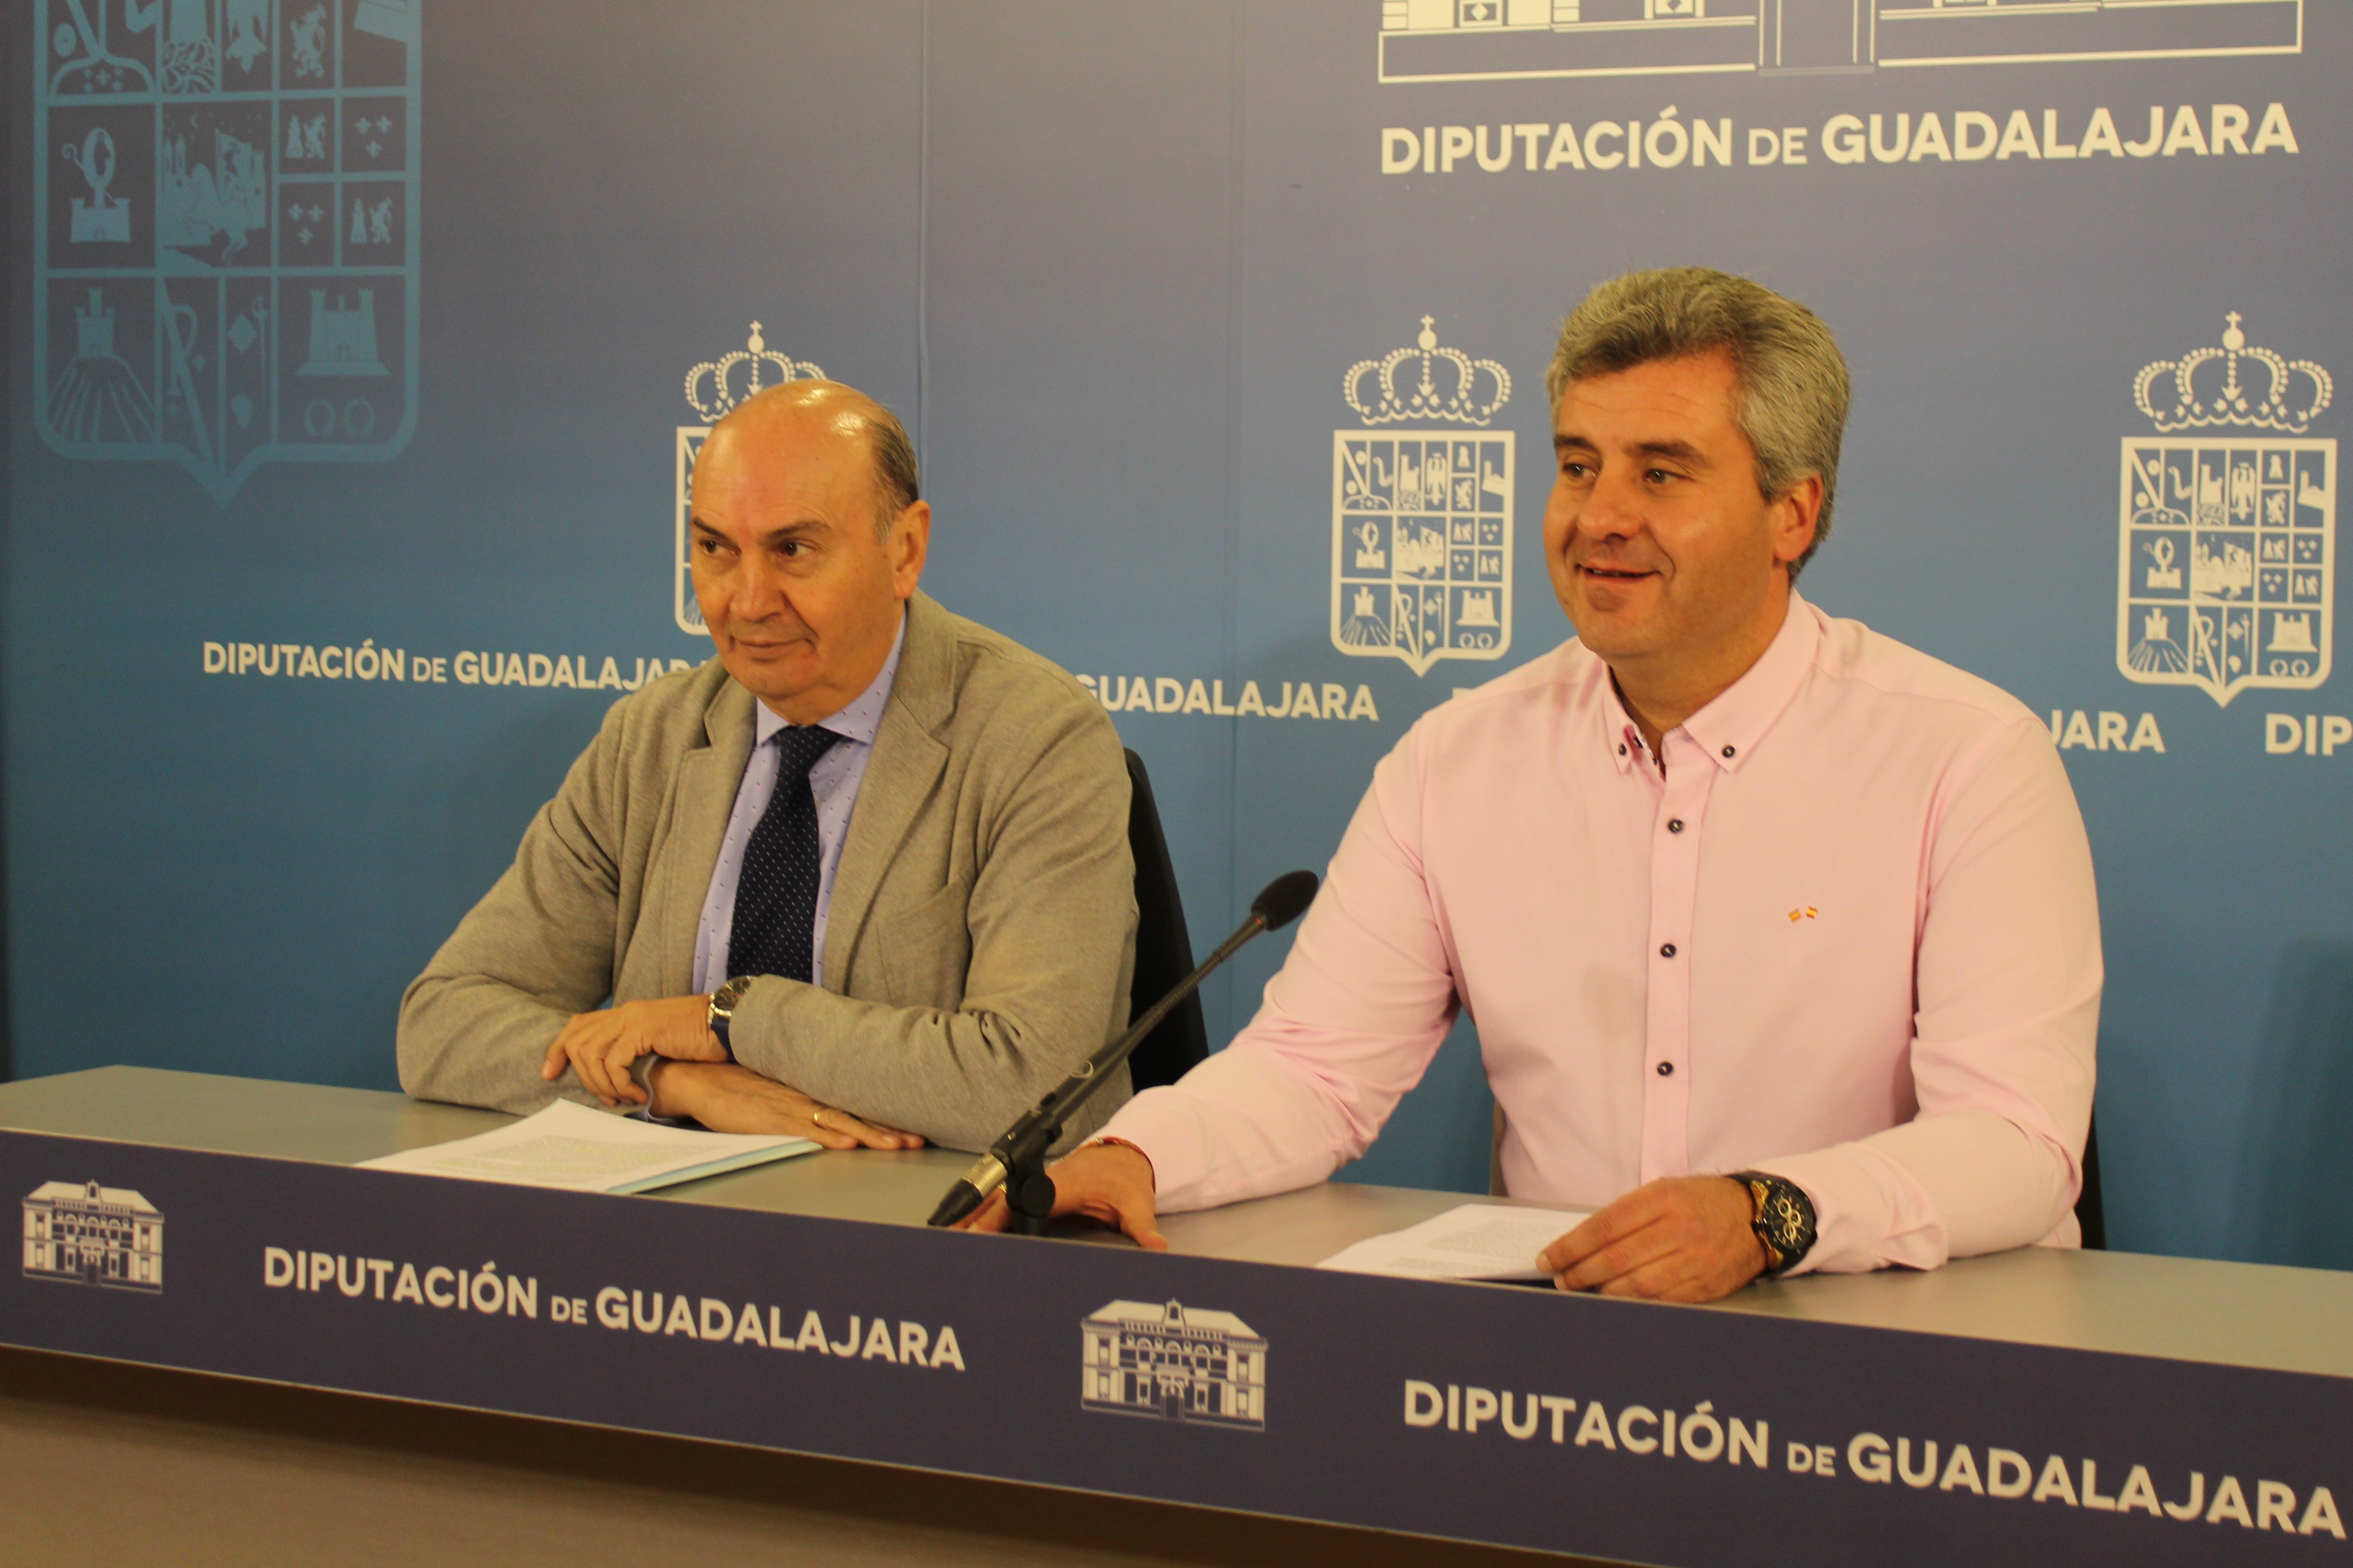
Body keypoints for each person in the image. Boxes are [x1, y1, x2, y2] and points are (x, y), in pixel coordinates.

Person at [970, 268, 2101, 1302]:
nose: (1598, 517)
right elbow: (1314, 1072)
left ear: (1791, 514)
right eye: (1577, 466)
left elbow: (2019, 1141)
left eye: (1661, 473)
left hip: (1891, 1347)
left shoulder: (1965, 756)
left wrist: (1767, 1215)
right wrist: (1139, 1154)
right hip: (1559, 1362)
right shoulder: (1458, 759)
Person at [399, 380, 1137, 1153]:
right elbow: (443, 1024)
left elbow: (1031, 1081)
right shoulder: (650, 738)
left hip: (916, 1211)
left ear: (905, 551)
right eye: (716, 549)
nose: (748, 601)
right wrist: (667, 1082)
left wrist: (729, 1021)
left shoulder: (1036, 737)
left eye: (793, 550)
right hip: (668, 1209)